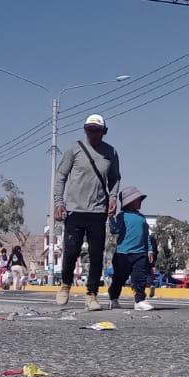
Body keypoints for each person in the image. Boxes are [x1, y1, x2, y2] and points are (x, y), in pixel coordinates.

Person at [54, 113, 121, 312]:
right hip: (74, 209)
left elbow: (115, 178)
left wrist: (113, 197)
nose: (92, 133)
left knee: (96, 255)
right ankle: (65, 284)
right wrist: (59, 202)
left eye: (96, 130)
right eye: (89, 129)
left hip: (98, 211)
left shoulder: (111, 152)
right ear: (85, 130)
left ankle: (91, 295)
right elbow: (60, 176)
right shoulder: (74, 149)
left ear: (103, 132)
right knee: (71, 251)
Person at [108, 186, 156, 311]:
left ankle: (139, 301)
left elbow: (147, 236)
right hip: (122, 255)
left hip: (140, 254)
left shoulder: (142, 218)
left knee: (139, 278)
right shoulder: (121, 216)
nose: (140, 201)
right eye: (138, 199)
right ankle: (113, 299)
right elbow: (114, 230)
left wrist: (150, 250)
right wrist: (111, 218)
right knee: (118, 279)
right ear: (129, 202)